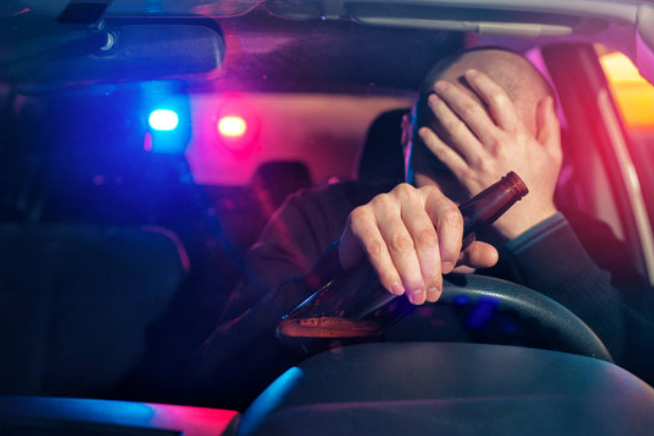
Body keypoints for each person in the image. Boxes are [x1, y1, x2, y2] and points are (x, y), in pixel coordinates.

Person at [186, 47, 654, 410]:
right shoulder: (320, 216)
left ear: (546, 148)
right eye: (447, 148)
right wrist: (344, 274)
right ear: (407, 136)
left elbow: (641, 387)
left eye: (498, 147)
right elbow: (214, 383)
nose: (460, 200)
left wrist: (534, 225)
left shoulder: (578, 239)